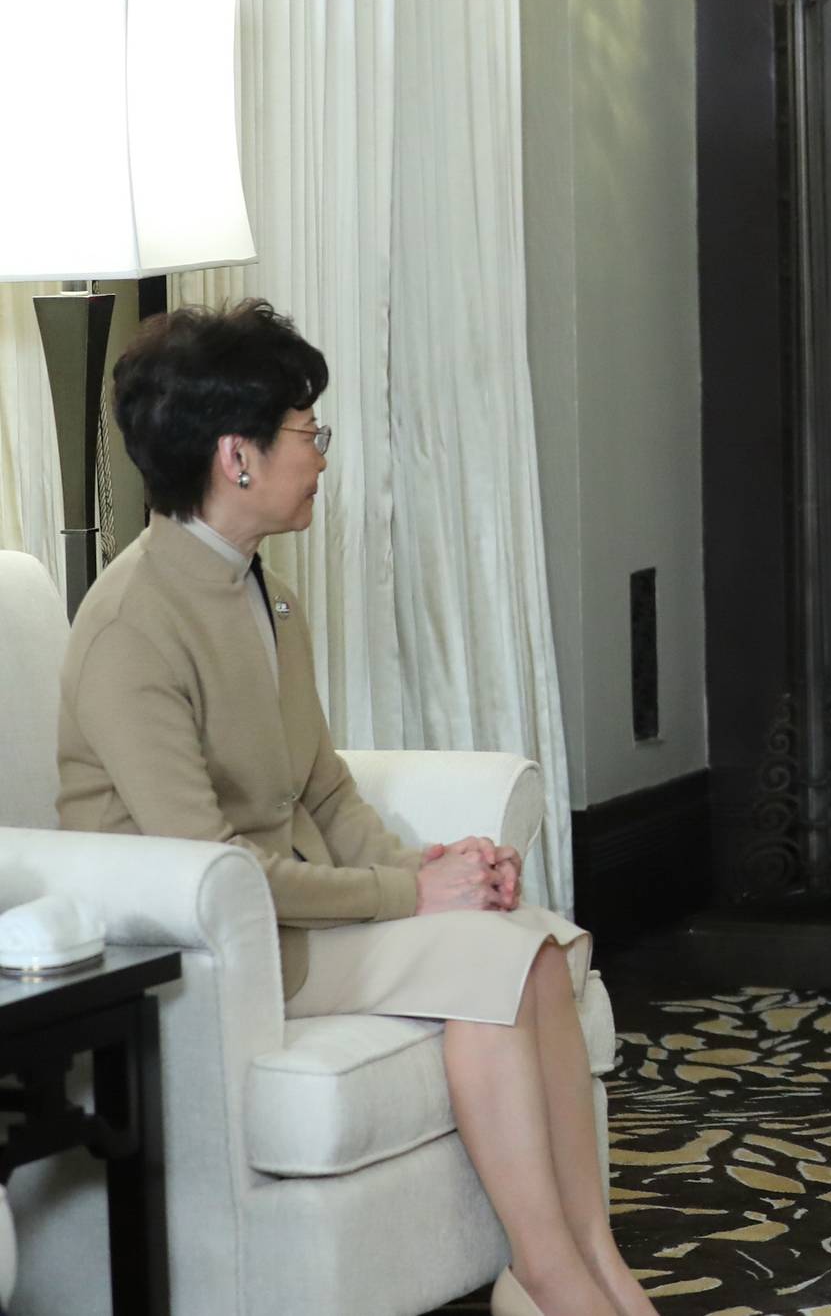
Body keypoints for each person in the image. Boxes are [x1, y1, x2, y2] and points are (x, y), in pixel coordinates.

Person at [54, 301, 650, 1316]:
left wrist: (433, 871)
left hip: (289, 920)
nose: (321, 457)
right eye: (305, 433)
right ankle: (552, 1281)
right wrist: (407, 895)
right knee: (502, 958)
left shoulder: (262, 592)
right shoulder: (131, 629)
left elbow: (319, 781)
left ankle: (588, 1271)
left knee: (538, 948)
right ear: (235, 458)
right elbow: (214, 870)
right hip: (220, 957)